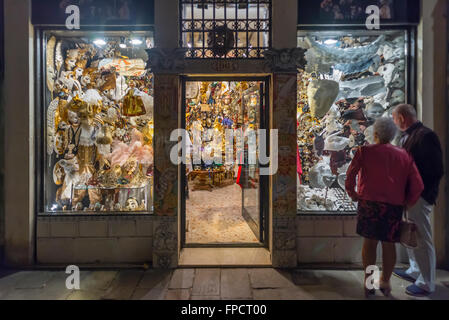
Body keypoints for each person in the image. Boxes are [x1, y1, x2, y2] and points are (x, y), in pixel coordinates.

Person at [345, 118, 424, 297]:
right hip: (393, 206)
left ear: (375, 134)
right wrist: (407, 202)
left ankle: (369, 283)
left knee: (369, 243)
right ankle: (386, 282)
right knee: (389, 245)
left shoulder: (364, 152)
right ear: (393, 135)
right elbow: (418, 185)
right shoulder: (404, 155)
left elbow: (350, 175)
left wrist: (353, 194)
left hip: (369, 204)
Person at [392, 104, 444, 297]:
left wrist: (420, 192)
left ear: (402, 118)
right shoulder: (412, 135)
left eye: (394, 118)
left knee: (422, 237)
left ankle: (427, 282)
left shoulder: (425, 136)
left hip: (420, 195)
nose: (394, 122)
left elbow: (435, 170)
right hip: (409, 194)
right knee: (410, 232)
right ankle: (414, 270)